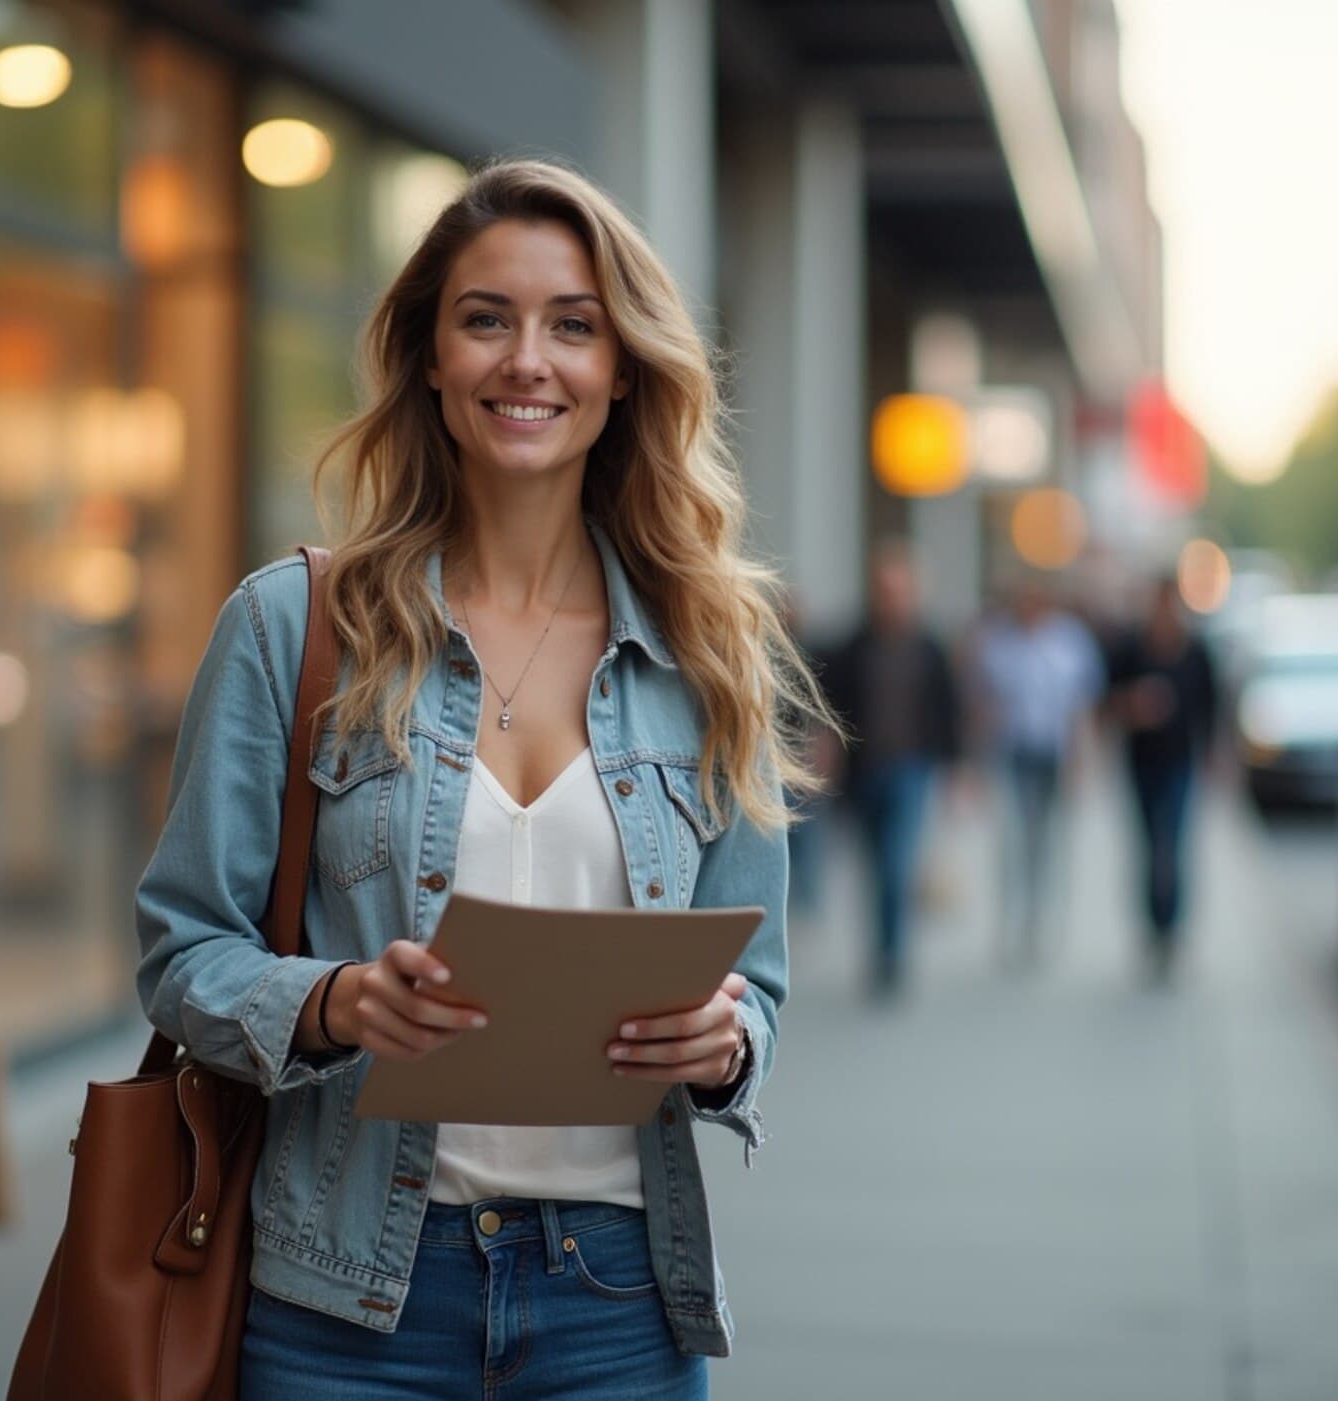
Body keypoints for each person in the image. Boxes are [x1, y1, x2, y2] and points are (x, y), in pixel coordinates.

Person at [135, 159, 827, 1398]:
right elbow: (183, 951)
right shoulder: (291, 628)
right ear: (429, 357)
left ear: (622, 368)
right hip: (342, 1306)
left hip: (618, 1302)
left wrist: (723, 1040)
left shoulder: (711, 651)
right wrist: (335, 1001)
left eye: (572, 324)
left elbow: (758, 990)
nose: (528, 361)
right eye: (484, 319)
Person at [819, 542, 961, 994]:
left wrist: (957, 768)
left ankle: (893, 955)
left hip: (912, 769)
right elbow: (829, 708)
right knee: (874, 863)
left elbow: (948, 709)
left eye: (900, 590)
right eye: (885, 589)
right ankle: (880, 945)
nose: (892, 598)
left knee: (898, 861)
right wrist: (826, 753)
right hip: (864, 771)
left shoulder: (930, 648)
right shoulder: (853, 646)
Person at [971, 576, 1103, 965]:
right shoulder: (999, 644)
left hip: (1053, 756)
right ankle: (1013, 924)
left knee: (1047, 843)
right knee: (1013, 842)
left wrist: (1082, 760)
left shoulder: (1070, 642)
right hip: (1013, 755)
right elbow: (984, 704)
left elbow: (1081, 705)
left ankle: (1042, 924)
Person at [1105, 575, 1218, 979]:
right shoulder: (1132, 649)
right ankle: (1152, 925)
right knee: (1149, 846)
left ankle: (1171, 928)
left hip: (1180, 762)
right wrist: (1134, 705)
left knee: (1172, 844)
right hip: (1141, 763)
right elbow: (1106, 702)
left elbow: (1211, 708)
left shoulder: (1196, 651)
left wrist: (1214, 760)